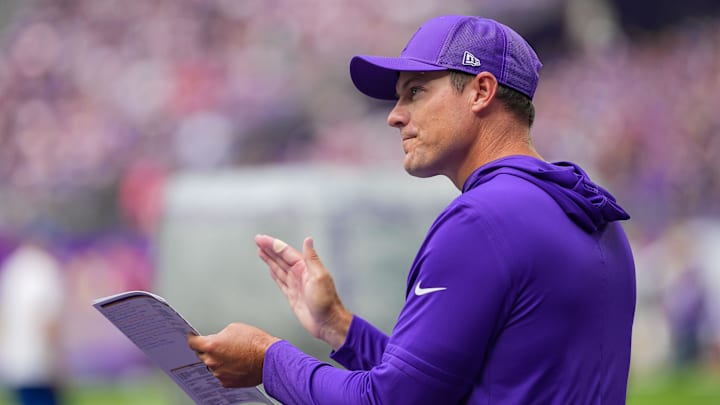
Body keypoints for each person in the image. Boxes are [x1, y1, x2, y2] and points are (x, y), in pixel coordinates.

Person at [188, 15, 636, 404]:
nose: (394, 115)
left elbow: (390, 401)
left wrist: (268, 360)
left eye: (415, 91)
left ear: (481, 91)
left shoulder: (481, 220)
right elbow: (438, 385)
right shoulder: (592, 211)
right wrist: (341, 328)